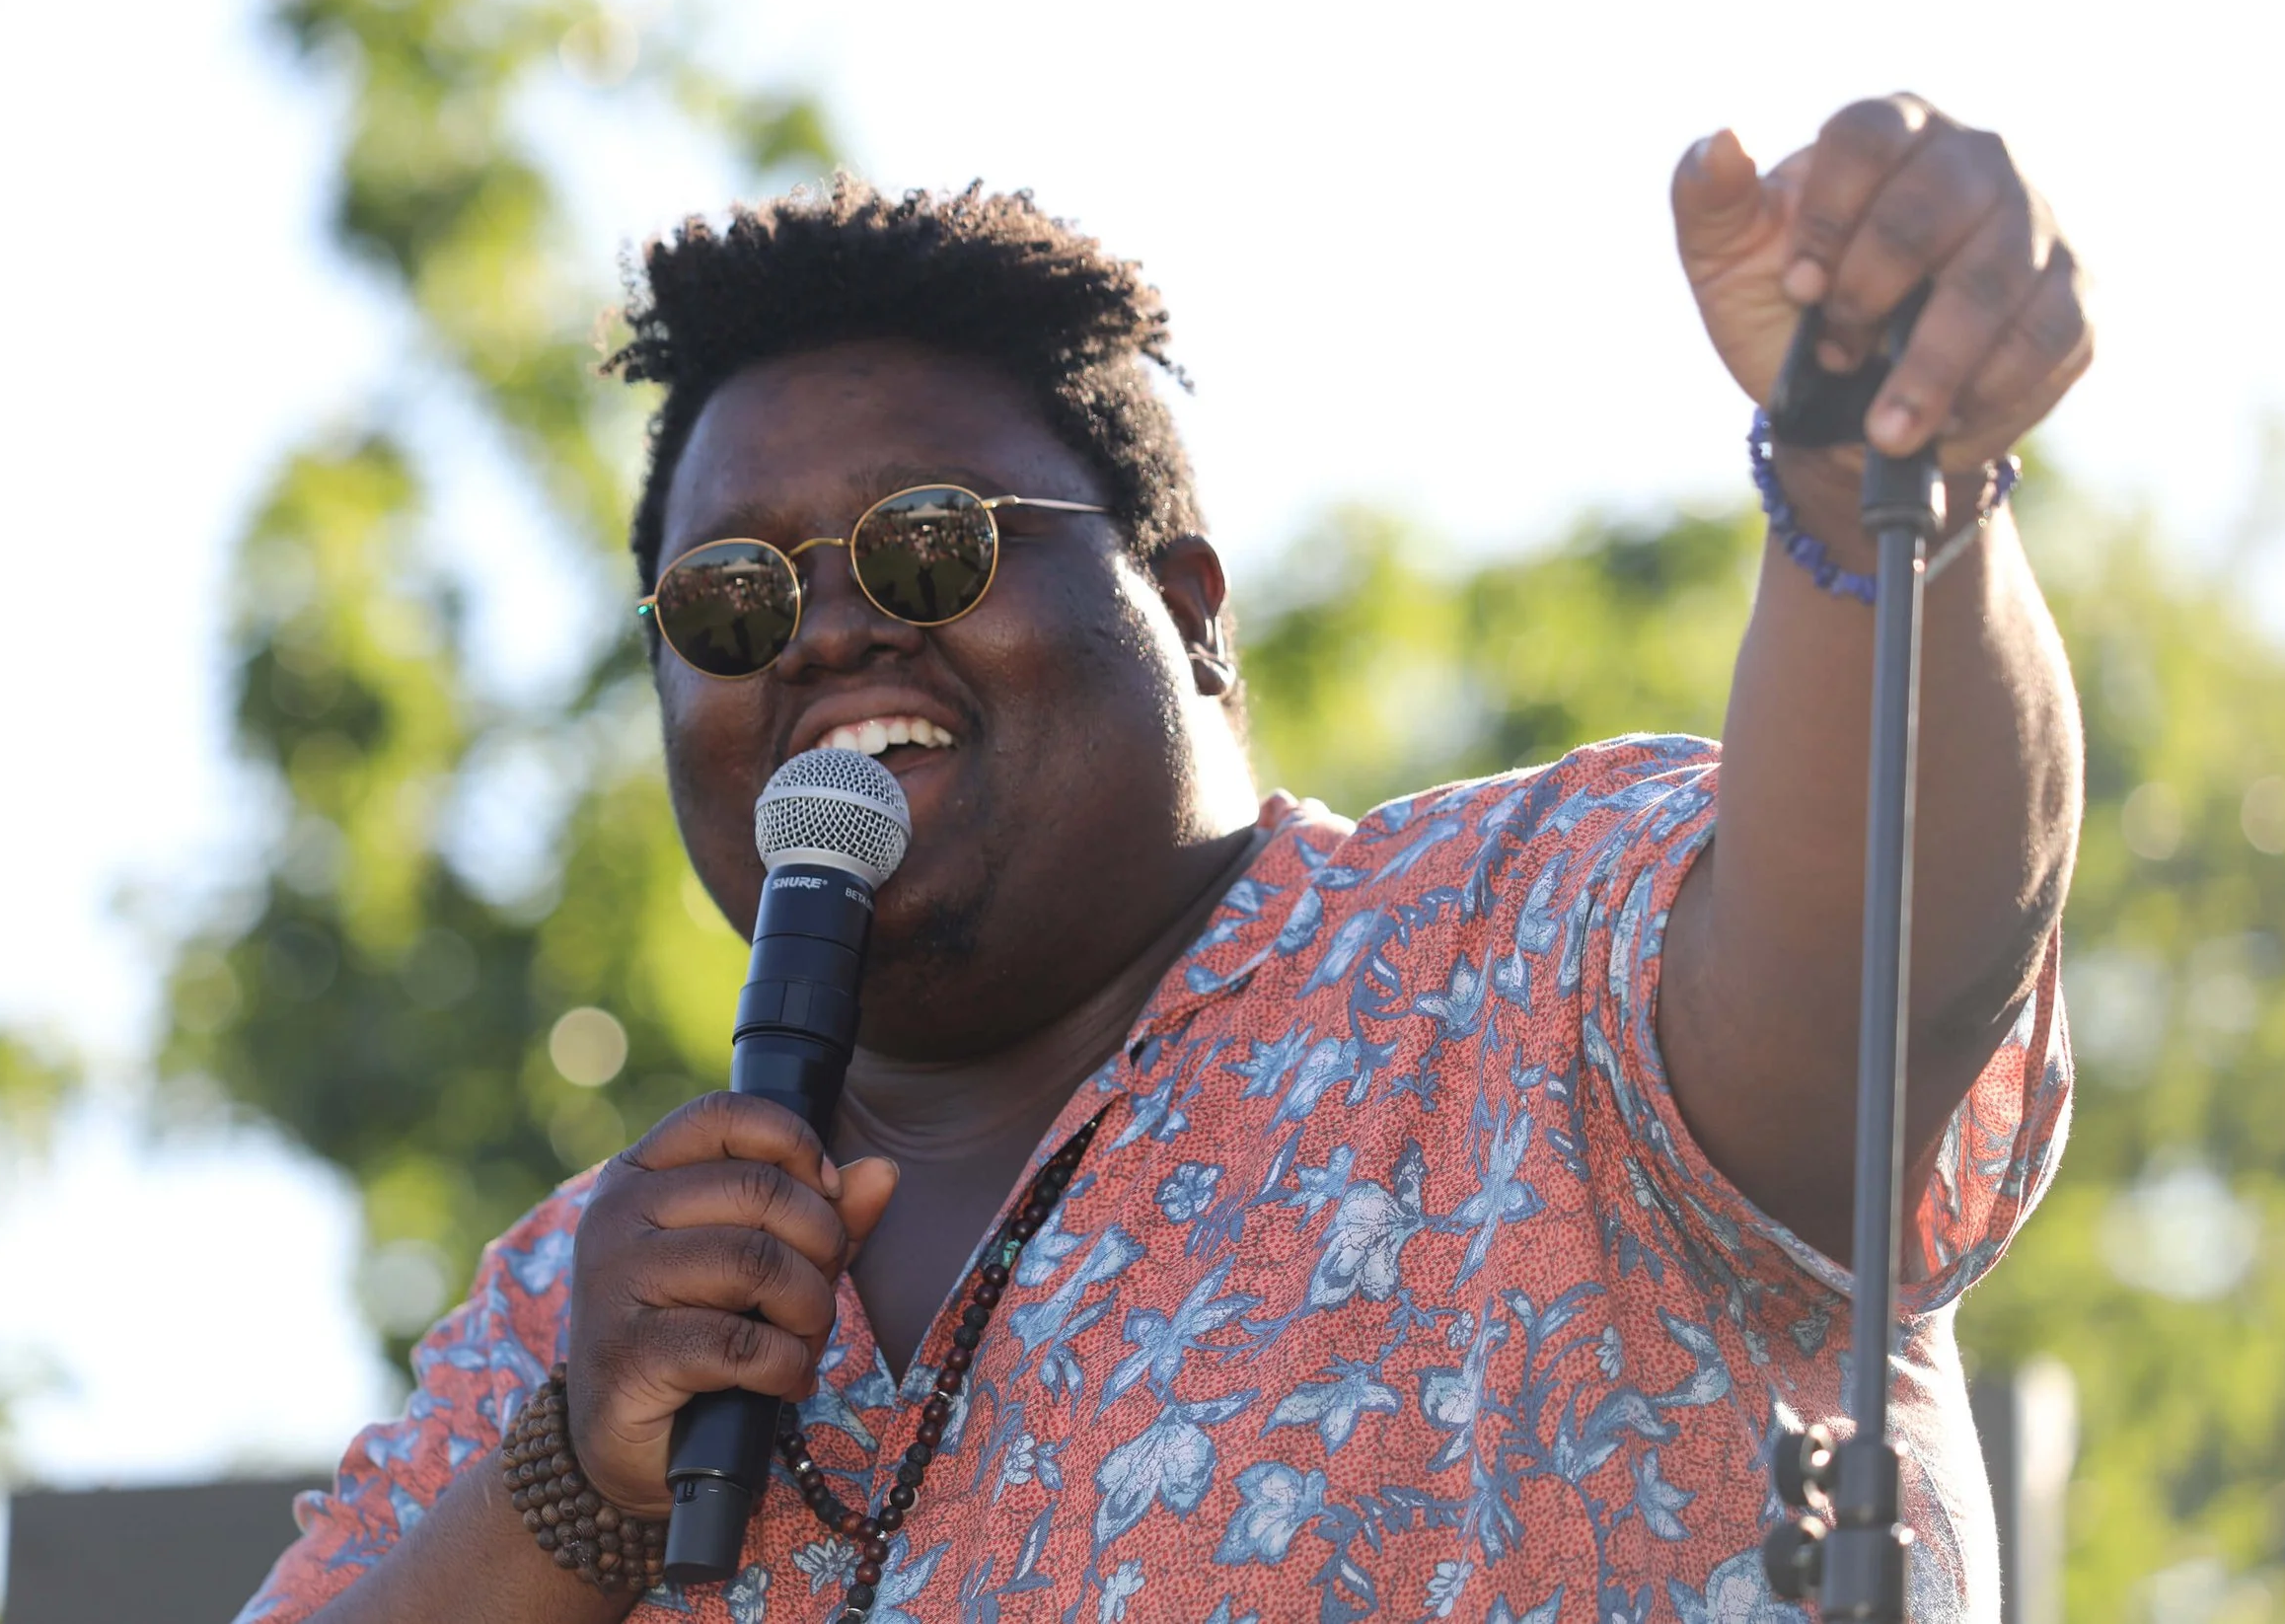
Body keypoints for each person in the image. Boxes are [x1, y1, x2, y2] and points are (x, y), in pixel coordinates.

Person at [242, 93, 2087, 1624]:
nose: (820, 636)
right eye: (729, 601)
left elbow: (1895, 961)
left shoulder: (1520, 952)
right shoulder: (570, 1303)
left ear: (1188, 610)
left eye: (930, 546)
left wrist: (1876, 499)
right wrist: (570, 1486)